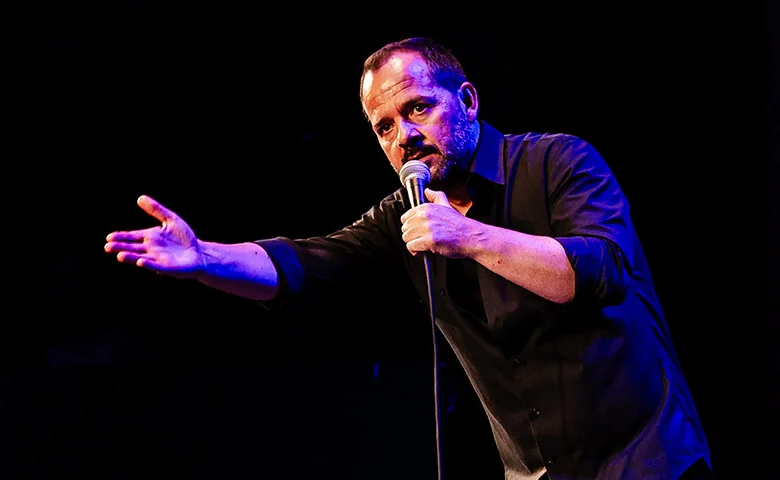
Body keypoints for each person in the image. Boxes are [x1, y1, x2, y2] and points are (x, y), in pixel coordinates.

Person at [103, 36, 712, 479]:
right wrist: (204, 258)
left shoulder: (558, 162)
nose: (405, 137)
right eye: (384, 127)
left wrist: (466, 236)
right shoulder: (405, 213)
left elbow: (598, 273)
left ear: (467, 100)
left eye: (419, 108)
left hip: (647, 462)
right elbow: (305, 265)